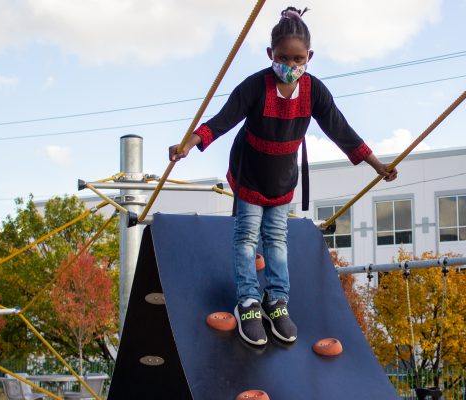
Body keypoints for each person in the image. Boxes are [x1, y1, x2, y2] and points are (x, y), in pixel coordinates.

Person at [169, 6, 398, 346]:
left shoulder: (313, 91)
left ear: (309, 57)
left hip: (282, 177)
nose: (290, 66)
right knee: (246, 237)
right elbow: (223, 119)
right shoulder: (255, 86)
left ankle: (276, 300)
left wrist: (376, 164)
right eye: (283, 58)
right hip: (250, 172)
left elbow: (339, 128)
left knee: (276, 239)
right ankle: (247, 300)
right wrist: (191, 142)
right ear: (270, 54)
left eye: (297, 59)